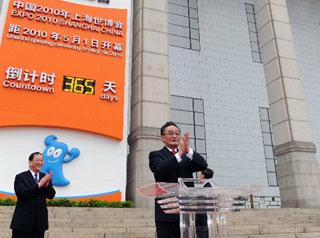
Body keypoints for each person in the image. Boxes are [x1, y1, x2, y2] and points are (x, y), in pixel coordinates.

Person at [149, 121, 208, 238]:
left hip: (187, 212)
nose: (175, 136)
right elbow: (160, 170)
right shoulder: (156, 155)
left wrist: (188, 150)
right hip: (167, 213)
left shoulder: (187, 157)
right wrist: (179, 154)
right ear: (163, 138)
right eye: (170, 133)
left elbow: (203, 165)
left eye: (177, 133)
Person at [10, 152, 56, 238]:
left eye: (42, 160)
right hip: (23, 223)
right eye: (37, 160)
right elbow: (22, 193)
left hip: (39, 223)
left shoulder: (44, 177)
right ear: (30, 162)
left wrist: (46, 186)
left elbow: (51, 195)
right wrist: (39, 184)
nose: (40, 162)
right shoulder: (21, 177)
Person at [196, 168, 214, 238]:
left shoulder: (207, 188)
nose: (198, 176)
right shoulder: (208, 186)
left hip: (203, 220)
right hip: (203, 219)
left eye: (199, 174)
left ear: (203, 176)